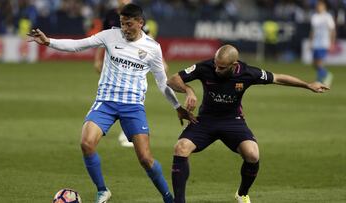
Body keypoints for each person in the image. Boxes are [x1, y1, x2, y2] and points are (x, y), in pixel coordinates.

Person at [28, 4, 194, 203]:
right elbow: (78, 45)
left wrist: (177, 107)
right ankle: (102, 190)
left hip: (133, 107)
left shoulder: (152, 48)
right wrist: (48, 42)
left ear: (141, 23)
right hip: (105, 102)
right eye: (122, 23)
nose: (125, 28)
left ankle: (168, 198)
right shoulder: (109, 35)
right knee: (86, 143)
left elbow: (162, 81)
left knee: (145, 159)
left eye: (129, 24)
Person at [167, 44, 329, 203]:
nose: (217, 70)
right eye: (216, 65)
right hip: (206, 121)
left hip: (233, 121)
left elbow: (278, 78)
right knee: (180, 148)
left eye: (222, 68)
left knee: (252, 154)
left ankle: (242, 194)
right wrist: (189, 90)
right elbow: (173, 79)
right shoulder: (205, 67)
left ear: (234, 65)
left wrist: (308, 85)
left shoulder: (248, 73)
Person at [94, 0, 167, 147]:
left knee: (133, 91)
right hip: (115, 56)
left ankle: (129, 129)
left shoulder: (135, 14)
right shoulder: (110, 15)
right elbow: (103, 37)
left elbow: (147, 36)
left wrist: (162, 60)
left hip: (135, 57)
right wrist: (98, 59)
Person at [309, 0, 336, 87]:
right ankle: (325, 74)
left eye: (320, 5)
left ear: (324, 7)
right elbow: (312, 31)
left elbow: (332, 30)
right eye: (317, 5)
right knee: (314, 63)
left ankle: (322, 78)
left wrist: (332, 42)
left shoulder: (328, 16)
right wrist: (311, 42)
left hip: (324, 43)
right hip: (316, 43)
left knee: (319, 62)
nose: (318, 7)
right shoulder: (315, 16)